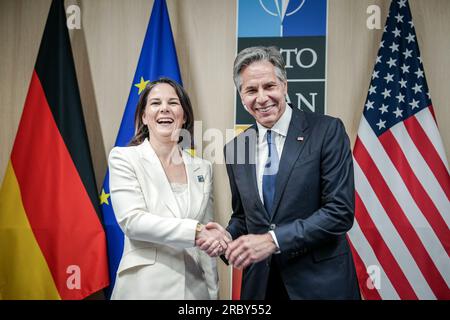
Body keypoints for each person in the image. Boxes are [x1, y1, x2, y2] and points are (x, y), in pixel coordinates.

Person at [204, 46, 360, 299]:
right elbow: (245, 217)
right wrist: (226, 236)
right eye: (251, 90)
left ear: (284, 86)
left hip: (320, 285)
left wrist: (272, 240)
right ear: (241, 97)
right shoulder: (235, 148)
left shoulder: (327, 131)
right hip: (261, 287)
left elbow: (339, 212)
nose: (262, 98)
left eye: (269, 86)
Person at [108, 78, 226, 299]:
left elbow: (207, 240)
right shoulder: (124, 158)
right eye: (155, 103)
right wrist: (196, 231)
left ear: (184, 116)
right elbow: (132, 221)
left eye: (173, 102)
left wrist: (213, 293)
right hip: (141, 288)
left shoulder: (203, 168)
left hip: (194, 291)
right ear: (144, 116)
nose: (164, 108)